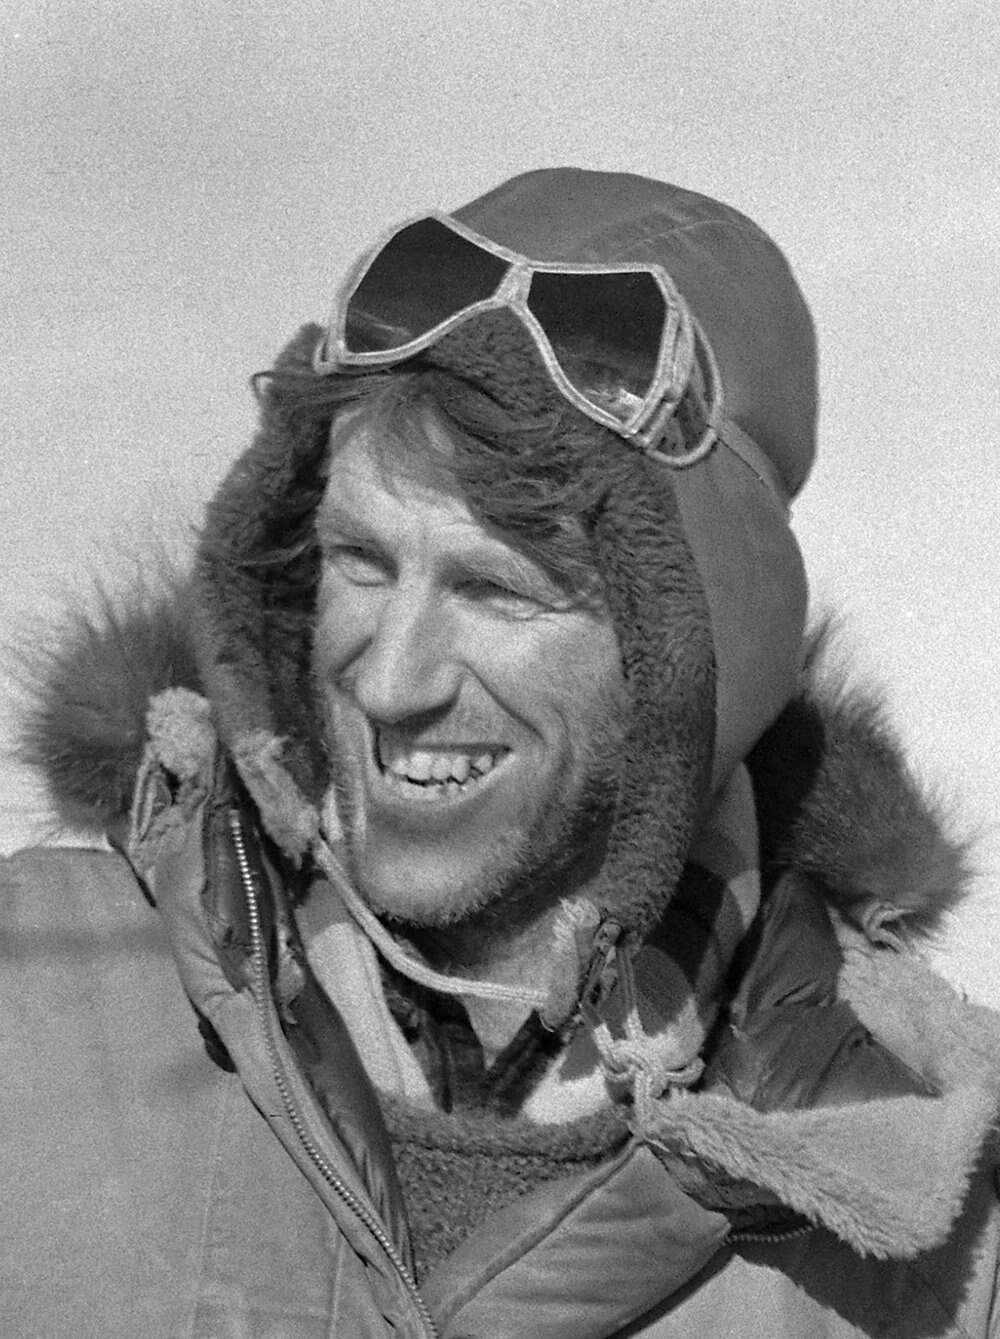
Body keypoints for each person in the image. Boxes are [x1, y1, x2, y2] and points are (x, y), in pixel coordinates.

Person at [3, 167, 999, 1338]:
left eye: (494, 589)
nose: (387, 679)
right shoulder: (31, 1009)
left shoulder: (934, 1202)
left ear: (691, 659)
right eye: (360, 562)